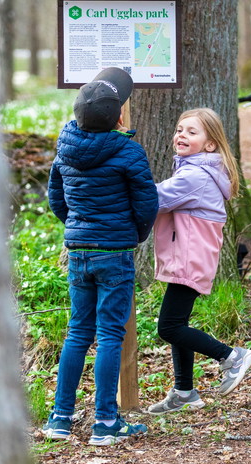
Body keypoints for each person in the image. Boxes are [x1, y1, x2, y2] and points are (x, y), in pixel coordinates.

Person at [41, 67, 158, 445]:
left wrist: (78, 227)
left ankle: (60, 418)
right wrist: (134, 236)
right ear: (119, 117)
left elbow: (57, 199)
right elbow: (147, 204)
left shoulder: (65, 148)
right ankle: (106, 422)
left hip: (79, 252)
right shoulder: (129, 151)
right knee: (109, 334)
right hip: (115, 252)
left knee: (78, 332)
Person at [146, 108, 251, 415]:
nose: (181, 135)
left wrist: (120, 187)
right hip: (190, 257)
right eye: (179, 130)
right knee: (178, 324)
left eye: (191, 132)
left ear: (210, 144)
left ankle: (231, 356)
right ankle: (184, 392)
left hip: (189, 259)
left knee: (169, 327)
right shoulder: (196, 171)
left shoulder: (194, 176)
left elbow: (153, 200)